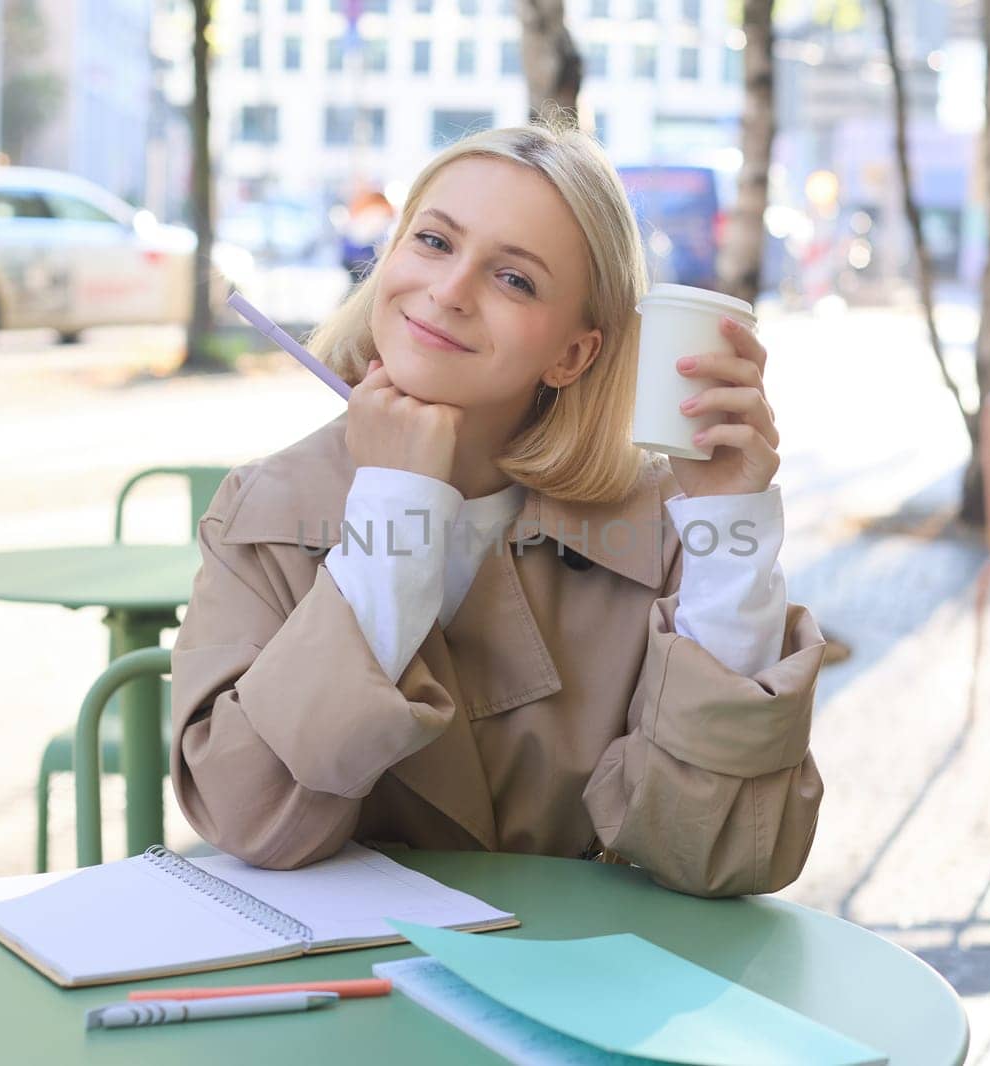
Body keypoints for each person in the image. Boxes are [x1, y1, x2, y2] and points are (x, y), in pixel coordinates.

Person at [170, 118, 826, 899]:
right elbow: (251, 817)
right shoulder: (266, 509)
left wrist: (729, 528)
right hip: (349, 994)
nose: (447, 292)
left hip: (587, 991)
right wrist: (395, 510)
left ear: (574, 353)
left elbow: (721, 850)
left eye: (514, 279)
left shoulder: (669, 529)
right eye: (434, 242)